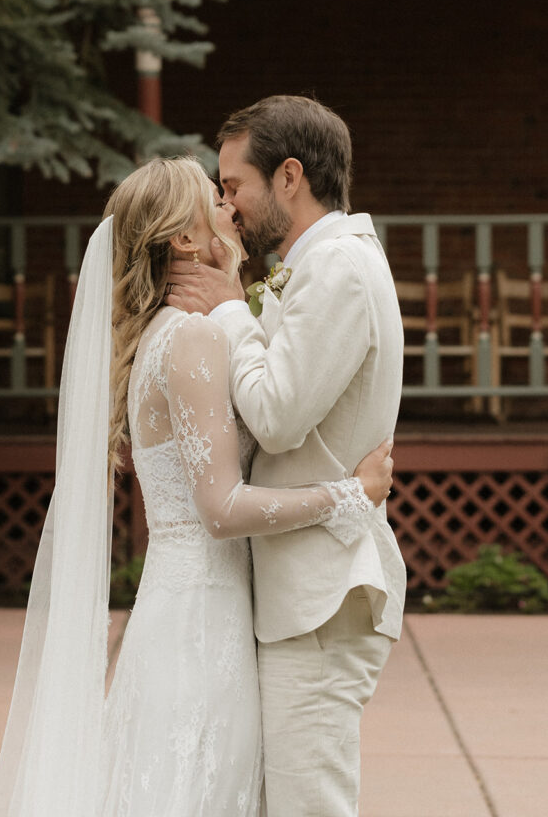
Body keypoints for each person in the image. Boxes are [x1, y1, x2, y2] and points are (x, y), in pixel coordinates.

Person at [0, 155, 393, 817]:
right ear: (181, 237)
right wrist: (348, 496)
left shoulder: (163, 334)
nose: (231, 208)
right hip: (203, 627)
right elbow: (221, 509)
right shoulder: (195, 337)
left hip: (178, 612)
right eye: (215, 198)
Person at [166, 96, 407, 817]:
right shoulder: (317, 265)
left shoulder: (337, 268)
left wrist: (230, 310)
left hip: (321, 595)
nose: (227, 205)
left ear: (290, 177)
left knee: (309, 807)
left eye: (234, 184)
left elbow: (274, 415)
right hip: (300, 591)